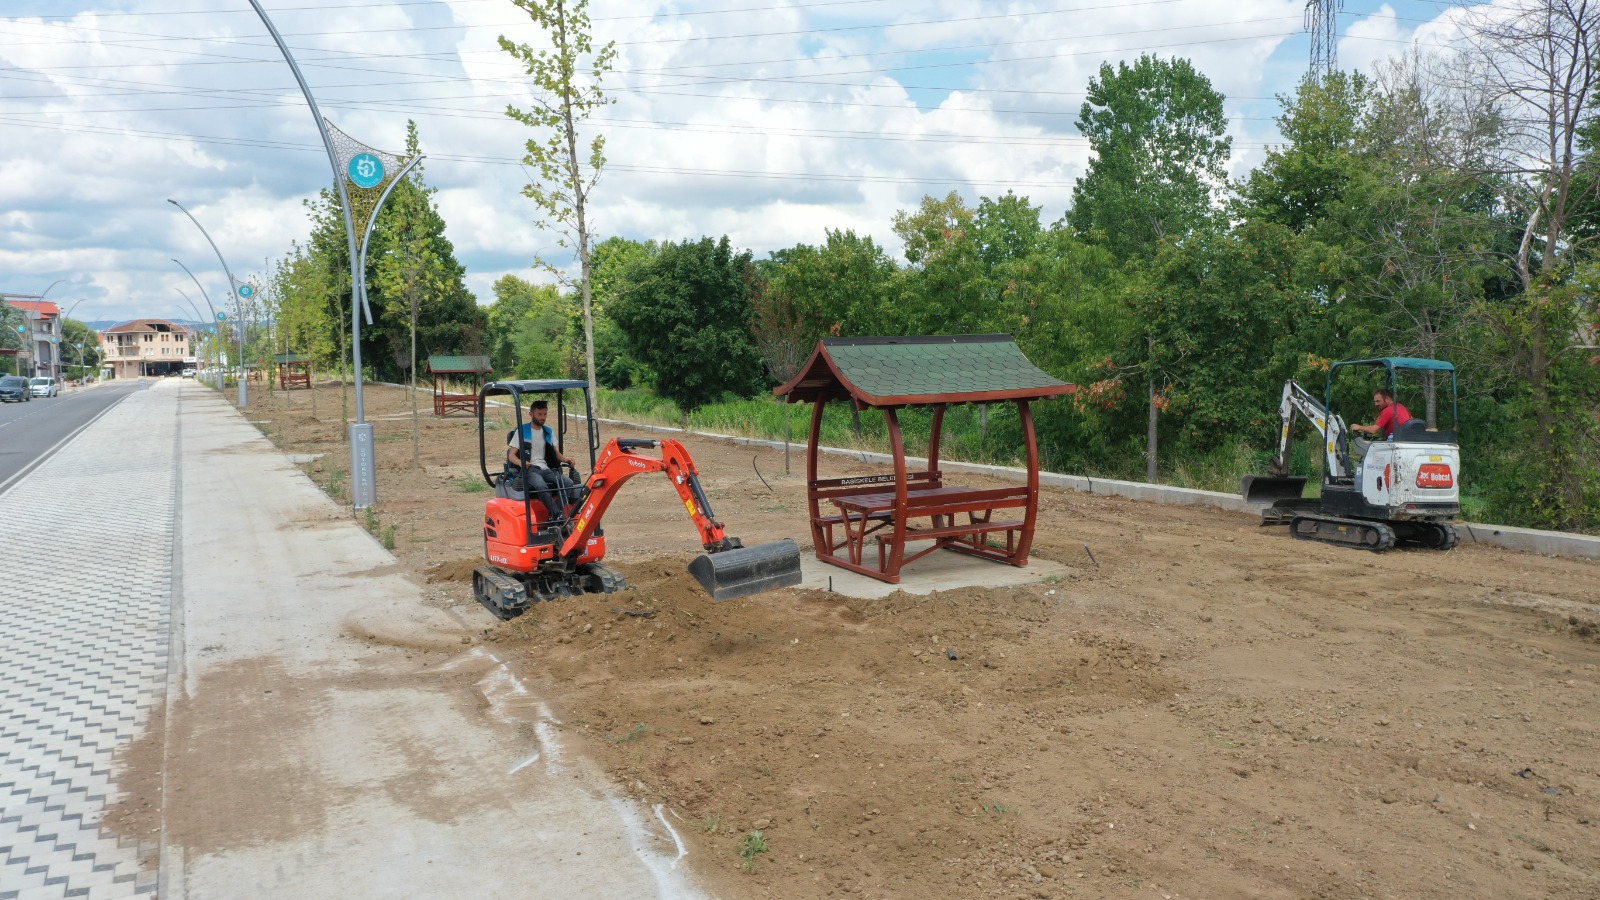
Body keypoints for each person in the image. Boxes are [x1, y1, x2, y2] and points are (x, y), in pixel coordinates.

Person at [505, 399, 579, 524]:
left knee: (569, 483)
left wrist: (566, 459)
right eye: (539, 414)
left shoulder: (548, 431)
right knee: (541, 486)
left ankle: (555, 512)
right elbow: (511, 456)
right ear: (531, 414)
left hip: (546, 469)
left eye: (545, 414)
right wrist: (522, 463)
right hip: (530, 469)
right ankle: (557, 515)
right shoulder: (522, 431)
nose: (542, 417)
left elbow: (555, 453)